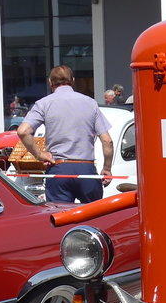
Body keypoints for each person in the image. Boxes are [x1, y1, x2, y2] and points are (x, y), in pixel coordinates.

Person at [18, 65, 113, 204]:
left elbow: (23, 131)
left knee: (61, 219)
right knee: (94, 218)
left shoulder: (43, 104)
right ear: (73, 81)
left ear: (50, 82)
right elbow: (107, 141)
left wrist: (39, 155)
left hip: (59, 169)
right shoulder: (90, 103)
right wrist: (107, 168)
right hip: (86, 169)